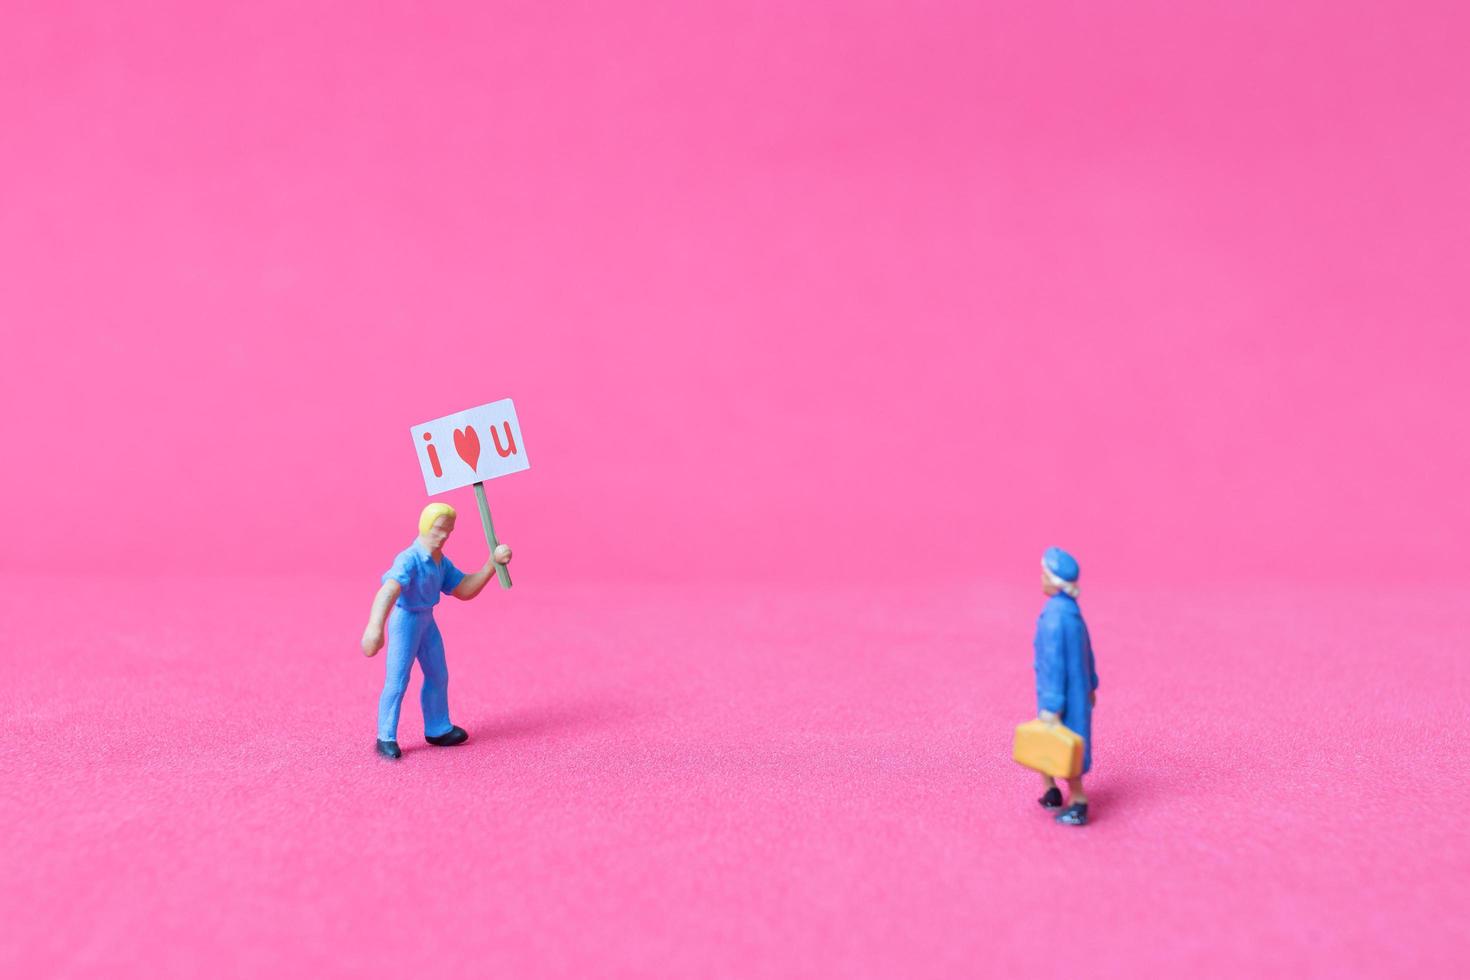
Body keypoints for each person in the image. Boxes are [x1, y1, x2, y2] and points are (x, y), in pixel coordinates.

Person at [361, 502, 512, 760]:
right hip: (406, 622)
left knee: (438, 675)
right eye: (439, 529)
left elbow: (464, 589)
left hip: (427, 622)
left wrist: (491, 564)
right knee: (397, 681)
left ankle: (437, 727)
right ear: (425, 526)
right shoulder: (409, 559)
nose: (443, 536)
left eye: (448, 532)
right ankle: (385, 735)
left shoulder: (440, 561)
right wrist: (375, 626)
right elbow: (389, 590)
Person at [1033, 546, 1099, 825]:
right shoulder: (1071, 612)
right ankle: (1050, 788)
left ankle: (1078, 800)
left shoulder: (1054, 618)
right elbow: (1089, 652)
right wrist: (1092, 685)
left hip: (1061, 695)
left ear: (1052, 579)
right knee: (1049, 743)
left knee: (1065, 744)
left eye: (1043, 574)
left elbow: (1053, 663)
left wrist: (1051, 704)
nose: (1040, 579)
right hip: (1076, 691)